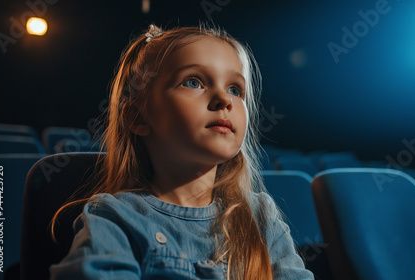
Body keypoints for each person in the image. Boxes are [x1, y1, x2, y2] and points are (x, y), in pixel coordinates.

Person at [49, 23, 314, 280]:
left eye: (235, 89)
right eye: (193, 82)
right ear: (137, 117)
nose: (224, 99)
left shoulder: (260, 217)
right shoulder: (115, 217)